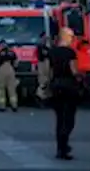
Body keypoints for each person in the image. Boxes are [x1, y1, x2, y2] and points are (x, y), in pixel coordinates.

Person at [48, 27, 80, 160]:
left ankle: (60, 148)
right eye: (71, 37)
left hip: (56, 85)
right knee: (69, 119)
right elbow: (73, 70)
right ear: (65, 37)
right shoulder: (70, 52)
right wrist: (80, 77)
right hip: (69, 86)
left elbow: (48, 70)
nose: (73, 39)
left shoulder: (52, 52)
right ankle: (64, 145)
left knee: (59, 118)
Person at [0, 40, 19, 112]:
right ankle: (14, 105)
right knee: (12, 88)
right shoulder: (12, 52)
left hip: (2, 69)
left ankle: (2, 106)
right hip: (11, 70)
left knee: (1, 88)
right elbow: (16, 63)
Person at [35, 31, 52, 107]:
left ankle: (45, 98)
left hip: (46, 64)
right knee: (43, 82)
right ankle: (40, 97)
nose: (46, 38)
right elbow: (45, 54)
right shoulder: (41, 46)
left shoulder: (45, 46)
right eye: (45, 37)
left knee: (47, 81)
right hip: (43, 63)